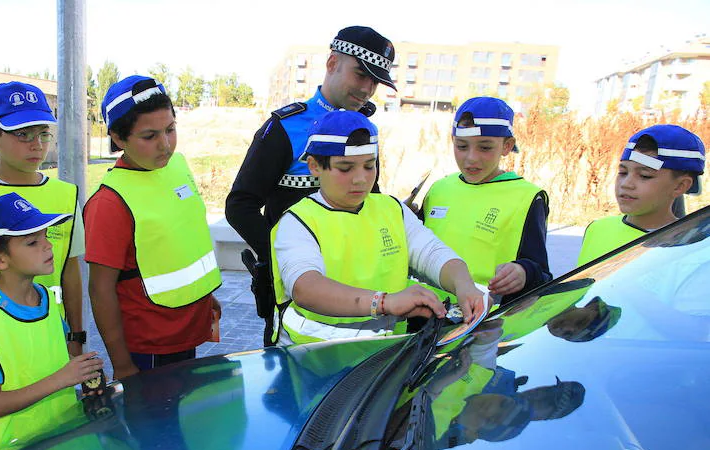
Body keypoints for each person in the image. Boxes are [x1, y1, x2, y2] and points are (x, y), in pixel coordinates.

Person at [226, 26, 397, 345]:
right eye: (360, 74)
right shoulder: (287, 127)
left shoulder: (366, 128)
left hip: (356, 288)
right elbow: (240, 205)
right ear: (332, 63)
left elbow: (369, 203)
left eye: (375, 81)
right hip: (299, 292)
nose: (367, 89)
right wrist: (284, 260)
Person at [270, 110, 483, 346]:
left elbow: (432, 253)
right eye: (345, 168)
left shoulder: (391, 209)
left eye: (369, 166)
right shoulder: (298, 221)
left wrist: (464, 285)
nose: (360, 179)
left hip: (385, 357)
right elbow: (306, 288)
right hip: (312, 359)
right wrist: (384, 303)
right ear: (314, 166)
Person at [85, 75, 221, 379]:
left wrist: (203, 296)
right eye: (149, 136)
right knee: (162, 423)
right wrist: (122, 365)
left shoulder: (176, 167)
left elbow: (179, 239)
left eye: (170, 130)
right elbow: (100, 289)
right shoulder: (109, 203)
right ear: (119, 139)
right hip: (151, 345)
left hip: (188, 327)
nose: (165, 145)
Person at [0, 193, 104, 450]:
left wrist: (83, 371)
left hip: (55, 445)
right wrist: (63, 378)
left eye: (46, 237)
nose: (48, 246)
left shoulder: (47, 299)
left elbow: (50, 356)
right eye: (32, 242)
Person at [0, 81, 86, 355]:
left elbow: (70, 271)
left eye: (43, 134)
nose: (36, 145)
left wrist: (76, 336)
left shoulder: (65, 195)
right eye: (23, 134)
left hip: (49, 335)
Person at [422, 96, 551, 304]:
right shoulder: (439, 188)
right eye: (462, 146)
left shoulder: (526, 198)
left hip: (480, 324)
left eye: (485, 148)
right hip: (422, 316)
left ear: (507, 146)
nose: (471, 158)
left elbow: (540, 272)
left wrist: (523, 271)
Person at [576, 124, 705, 267]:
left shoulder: (692, 250)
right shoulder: (597, 229)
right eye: (623, 172)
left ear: (680, 186)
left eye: (644, 176)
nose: (626, 184)